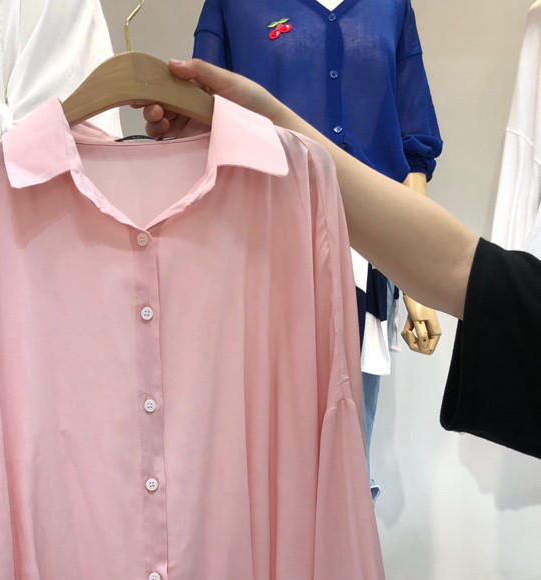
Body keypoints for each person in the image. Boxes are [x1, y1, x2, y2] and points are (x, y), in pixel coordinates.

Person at [143, 59, 541, 461]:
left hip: (359, 266)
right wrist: (269, 120)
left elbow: (417, 157)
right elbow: (466, 269)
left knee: (333, 439)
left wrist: (413, 298)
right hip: (251, 257)